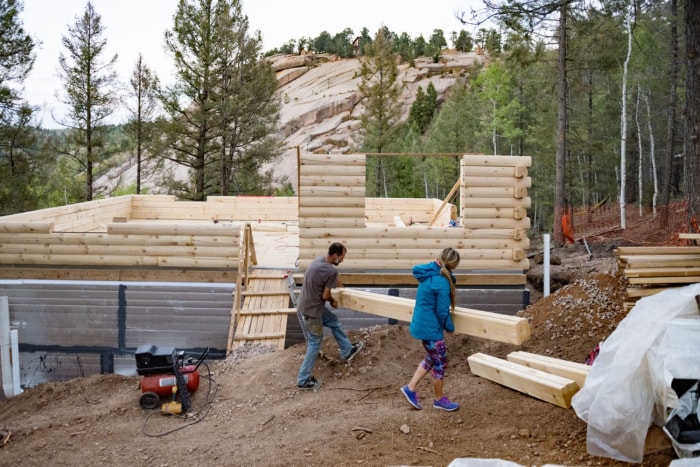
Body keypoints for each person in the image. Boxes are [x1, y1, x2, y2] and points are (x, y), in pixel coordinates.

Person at [400, 247, 461, 411]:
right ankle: (439, 399)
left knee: (432, 357)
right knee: (441, 362)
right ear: (453, 266)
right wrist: (450, 327)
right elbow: (442, 311)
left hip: (423, 325)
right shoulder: (441, 282)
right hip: (431, 329)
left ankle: (410, 388)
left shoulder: (428, 273)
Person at [296, 242, 364, 390]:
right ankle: (303, 379)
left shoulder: (318, 260)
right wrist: (333, 301)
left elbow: (332, 279)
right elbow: (325, 295)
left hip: (306, 305)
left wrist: (342, 287)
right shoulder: (331, 272)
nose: (343, 260)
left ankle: (347, 350)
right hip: (312, 312)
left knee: (333, 321)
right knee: (314, 342)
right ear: (335, 256)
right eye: (342, 257)